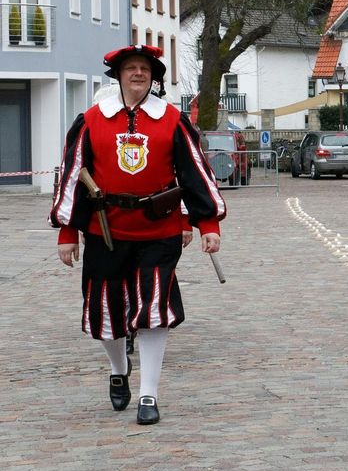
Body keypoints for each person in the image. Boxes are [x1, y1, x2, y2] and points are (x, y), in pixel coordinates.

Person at [49, 45, 226, 426]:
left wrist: (207, 224)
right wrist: (68, 230)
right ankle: (118, 368)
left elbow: (195, 172)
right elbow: (71, 175)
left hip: (158, 230)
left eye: (144, 69)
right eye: (130, 68)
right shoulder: (92, 120)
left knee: (153, 308)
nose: (137, 74)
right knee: (105, 313)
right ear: (118, 75)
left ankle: (149, 394)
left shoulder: (172, 121)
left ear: (153, 76)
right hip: (105, 231)